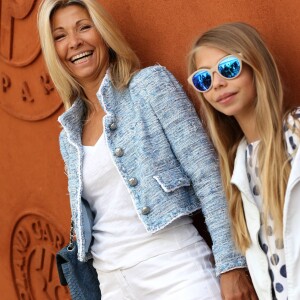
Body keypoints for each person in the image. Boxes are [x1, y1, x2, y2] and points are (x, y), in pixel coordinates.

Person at [37, 1, 257, 299]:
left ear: (103, 32)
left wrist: (231, 265)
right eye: (59, 36)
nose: (74, 42)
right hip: (111, 283)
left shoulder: (149, 86)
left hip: (175, 268)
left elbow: (208, 174)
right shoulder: (69, 133)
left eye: (84, 27)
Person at [187, 22, 300, 300]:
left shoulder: (296, 131)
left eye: (228, 68)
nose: (218, 84)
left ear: (255, 65)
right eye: (204, 79)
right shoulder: (237, 162)